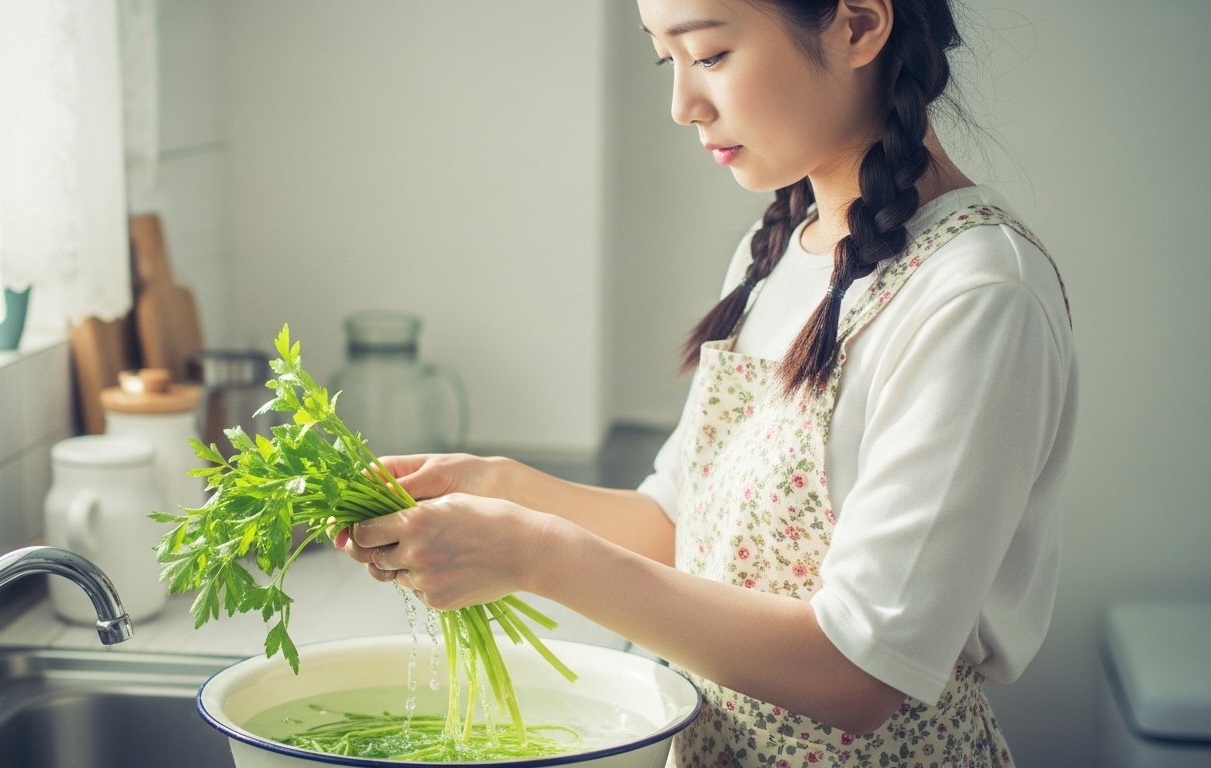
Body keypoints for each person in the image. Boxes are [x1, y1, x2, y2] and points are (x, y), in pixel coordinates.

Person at [336, 0, 1077, 765]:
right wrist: (500, 487)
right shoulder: (782, 250)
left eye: (710, 56)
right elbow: (676, 527)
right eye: (668, 60)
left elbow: (861, 673)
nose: (682, 106)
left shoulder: (977, 294)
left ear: (858, 25)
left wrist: (536, 556)